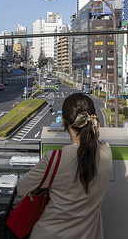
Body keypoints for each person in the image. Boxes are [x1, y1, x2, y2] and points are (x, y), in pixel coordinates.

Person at [16, 93, 113, 239]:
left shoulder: (55, 158)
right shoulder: (106, 152)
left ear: (64, 121)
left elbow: (21, 188)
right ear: (93, 119)